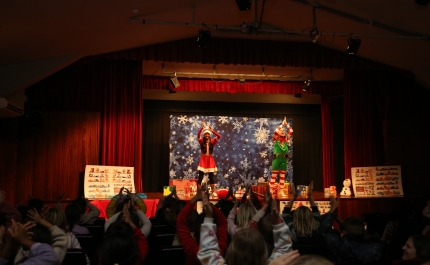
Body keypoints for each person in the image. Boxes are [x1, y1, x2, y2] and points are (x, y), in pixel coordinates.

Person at [197, 186, 295, 265]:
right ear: (264, 252)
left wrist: (209, 217)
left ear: (231, 250)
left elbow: (208, 252)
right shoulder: (274, 263)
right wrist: (277, 220)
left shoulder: (233, 229)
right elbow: (283, 249)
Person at [321, 197, 385, 264]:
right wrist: (336, 217)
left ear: (344, 232)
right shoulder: (376, 248)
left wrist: (331, 212)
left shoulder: (340, 247)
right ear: (364, 232)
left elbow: (325, 230)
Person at [176, 187, 227, 265]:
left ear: (194, 233)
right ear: (215, 232)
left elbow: (180, 221)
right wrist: (209, 206)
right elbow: (223, 222)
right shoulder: (219, 249)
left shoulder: (192, 250)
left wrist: (196, 198)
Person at [270, 117, 293, 196]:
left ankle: (281, 190)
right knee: (274, 175)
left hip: (283, 159)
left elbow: (291, 131)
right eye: (281, 130)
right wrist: (282, 124)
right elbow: (275, 131)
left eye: (284, 130)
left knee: (282, 176)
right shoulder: (276, 139)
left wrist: (287, 124)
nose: (283, 131)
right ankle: (271, 190)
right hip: (276, 159)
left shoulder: (286, 139)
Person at [197, 121, 221, 190]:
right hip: (203, 159)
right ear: (204, 135)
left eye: (208, 134)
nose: (207, 135)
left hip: (210, 159)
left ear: (209, 135)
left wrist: (212, 131)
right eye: (205, 134)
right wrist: (202, 127)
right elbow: (198, 134)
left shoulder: (212, 141)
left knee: (211, 176)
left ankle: (213, 190)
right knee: (201, 175)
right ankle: (198, 189)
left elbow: (219, 136)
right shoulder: (201, 141)